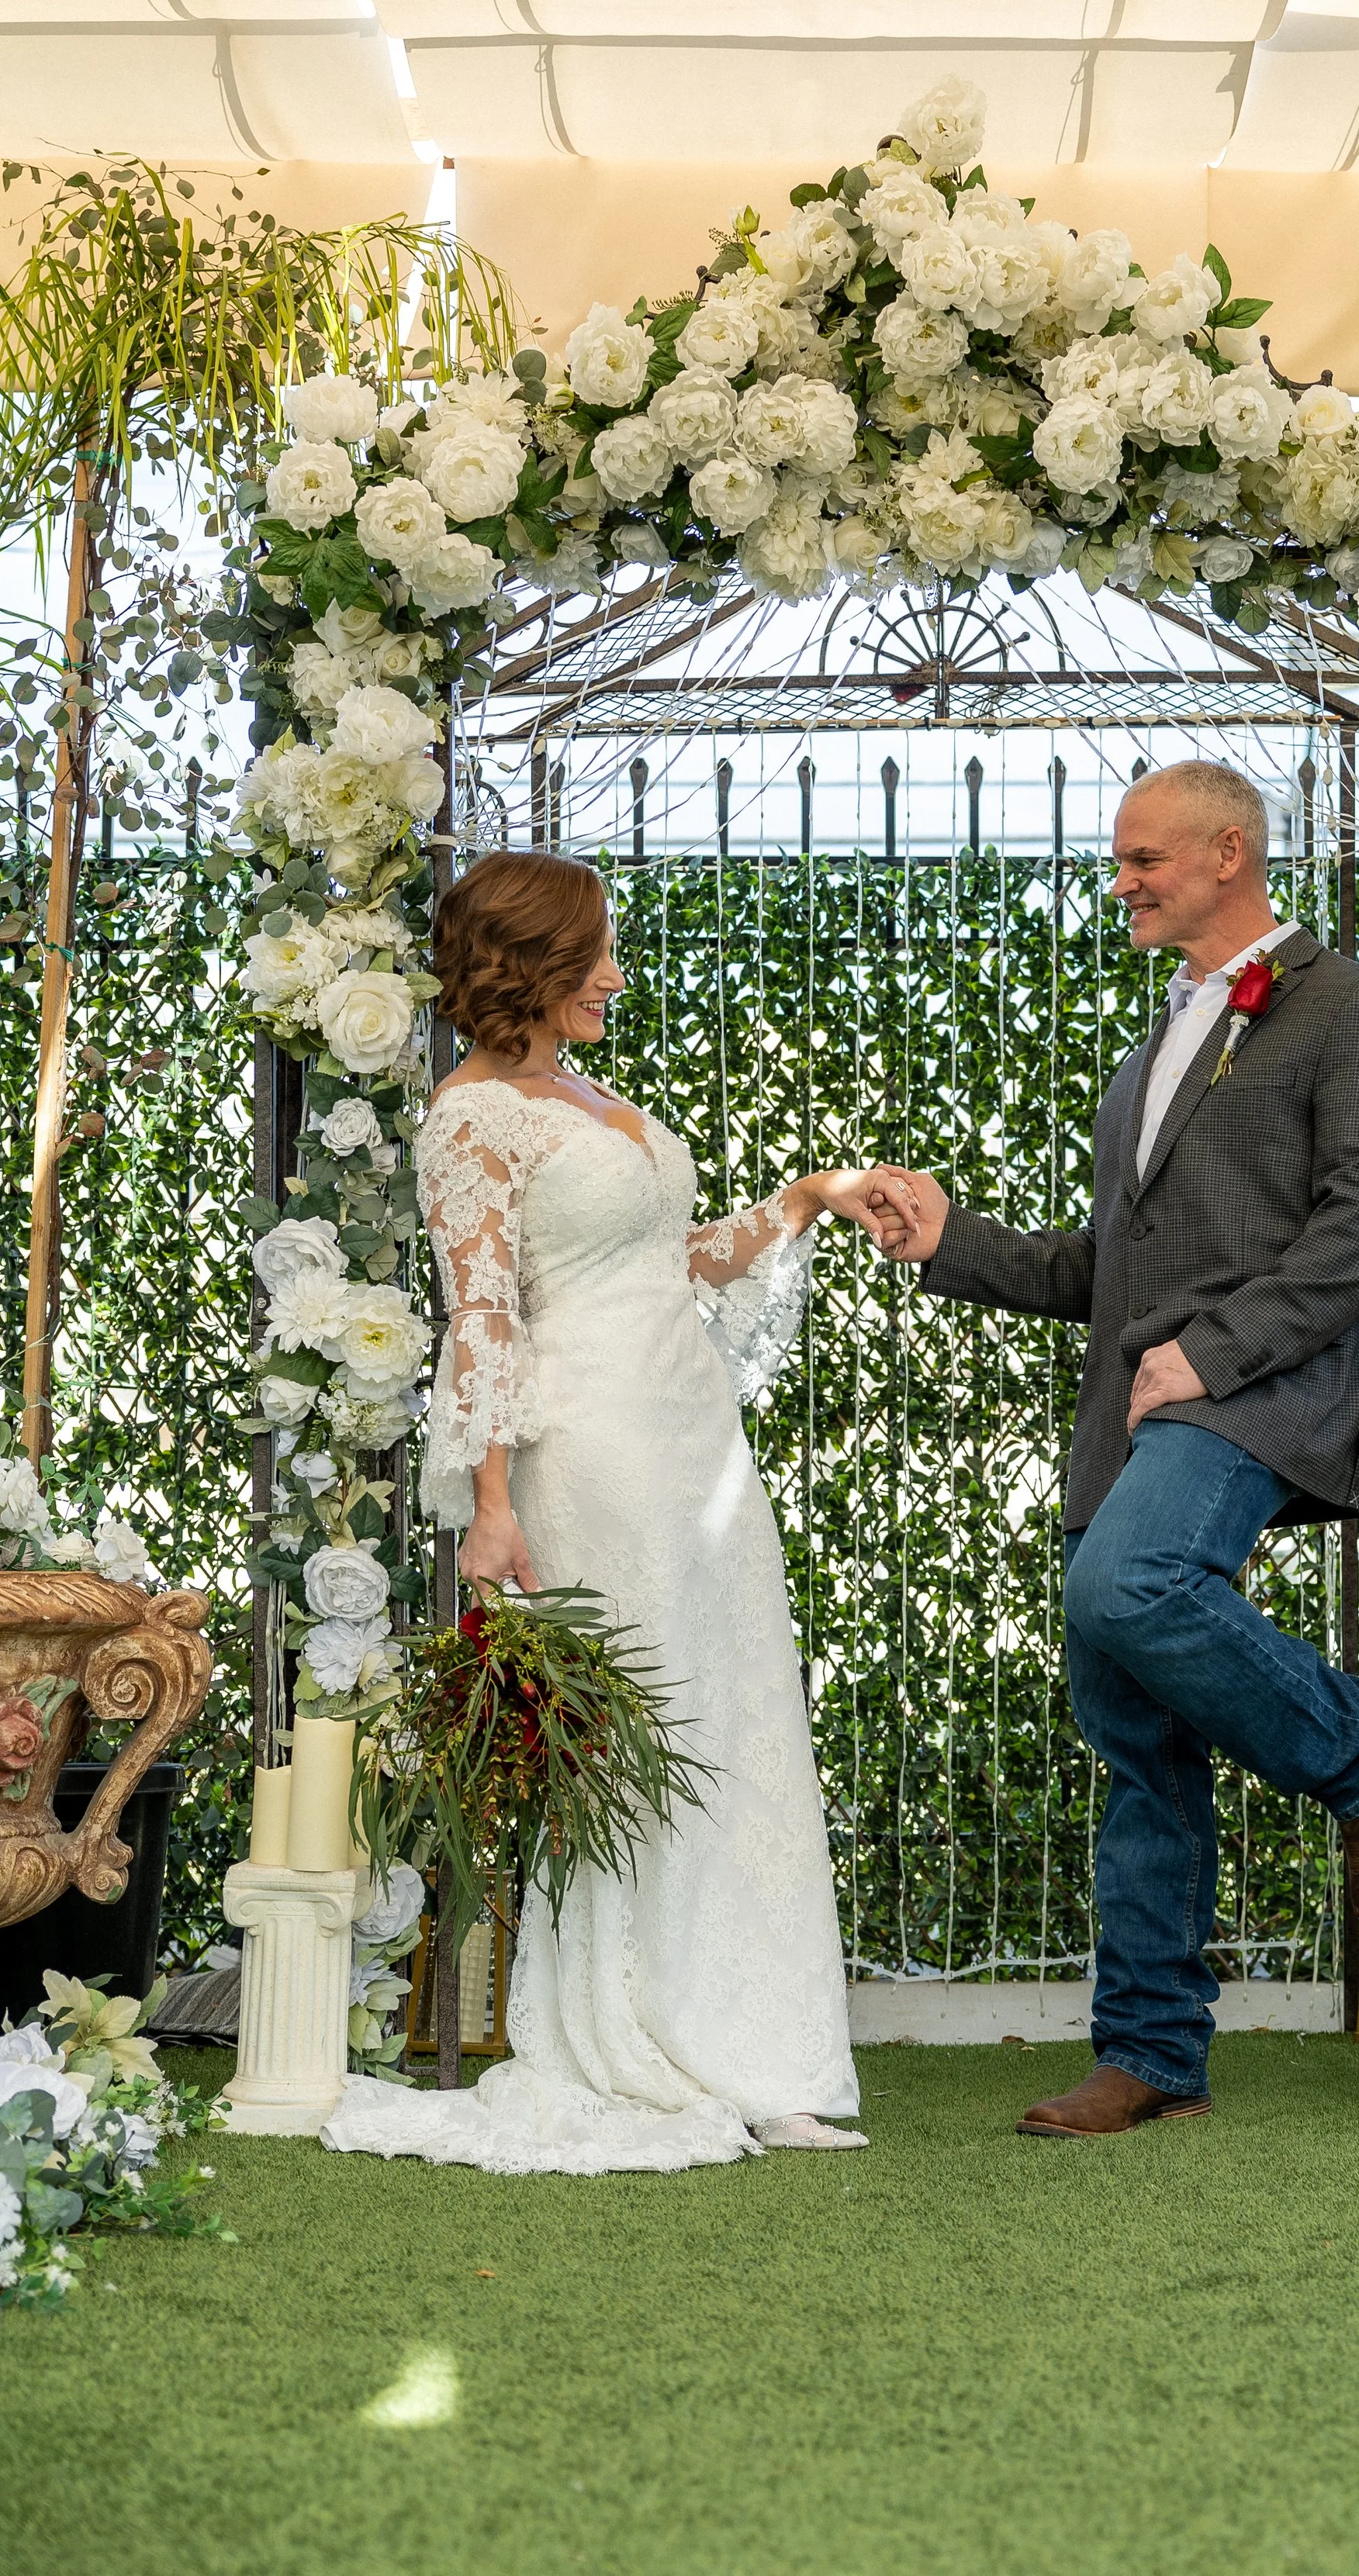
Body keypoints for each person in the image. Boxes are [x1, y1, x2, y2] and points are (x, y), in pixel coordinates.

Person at [871, 760, 1359, 2140]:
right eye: (1120, 860)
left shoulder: (1350, 1008)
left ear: (1231, 852)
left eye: (1143, 859)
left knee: (1129, 1585)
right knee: (1137, 1737)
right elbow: (1118, 1270)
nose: (1120, 880)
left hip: (1254, 1393)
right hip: (1136, 1410)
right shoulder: (1158, 1042)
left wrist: (1215, 1353)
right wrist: (954, 1244)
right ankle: (1151, 2053)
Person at [324, 849, 915, 2175]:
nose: (616, 973)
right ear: (524, 963)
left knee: (733, 1716)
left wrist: (812, 1195)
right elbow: (484, 1314)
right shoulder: (472, 1116)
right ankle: (636, 2040)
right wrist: (489, 1504)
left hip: (693, 1437)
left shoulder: (584, 1094)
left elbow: (678, 1260)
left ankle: (762, 2052)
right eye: (592, 953)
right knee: (637, 1739)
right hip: (585, 1447)